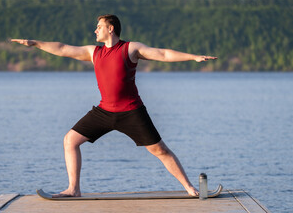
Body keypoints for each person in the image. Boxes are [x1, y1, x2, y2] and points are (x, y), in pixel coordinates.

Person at [11, 14, 217, 197]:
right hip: (104, 112)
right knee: (70, 141)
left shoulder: (131, 49)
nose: (95, 30)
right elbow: (63, 48)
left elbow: (162, 54)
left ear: (110, 28)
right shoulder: (94, 52)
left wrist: (193, 57)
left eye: (98, 27)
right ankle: (74, 189)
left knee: (160, 150)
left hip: (132, 112)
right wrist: (36, 43)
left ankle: (190, 189)